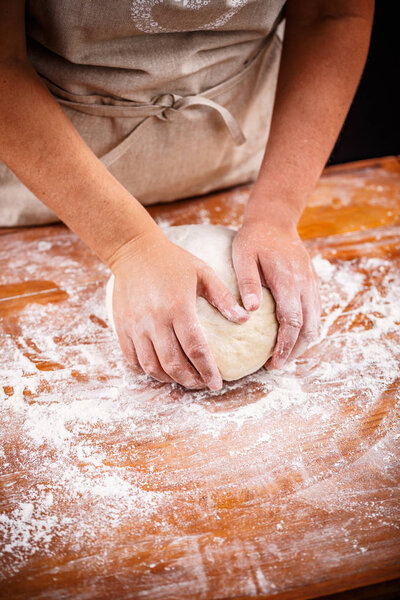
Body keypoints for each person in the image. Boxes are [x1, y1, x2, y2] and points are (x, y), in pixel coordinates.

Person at [0, 1, 374, 391]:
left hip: (234, 157)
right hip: (46, 174)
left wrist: (275, 213)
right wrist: (129, 246)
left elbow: (330, 13)